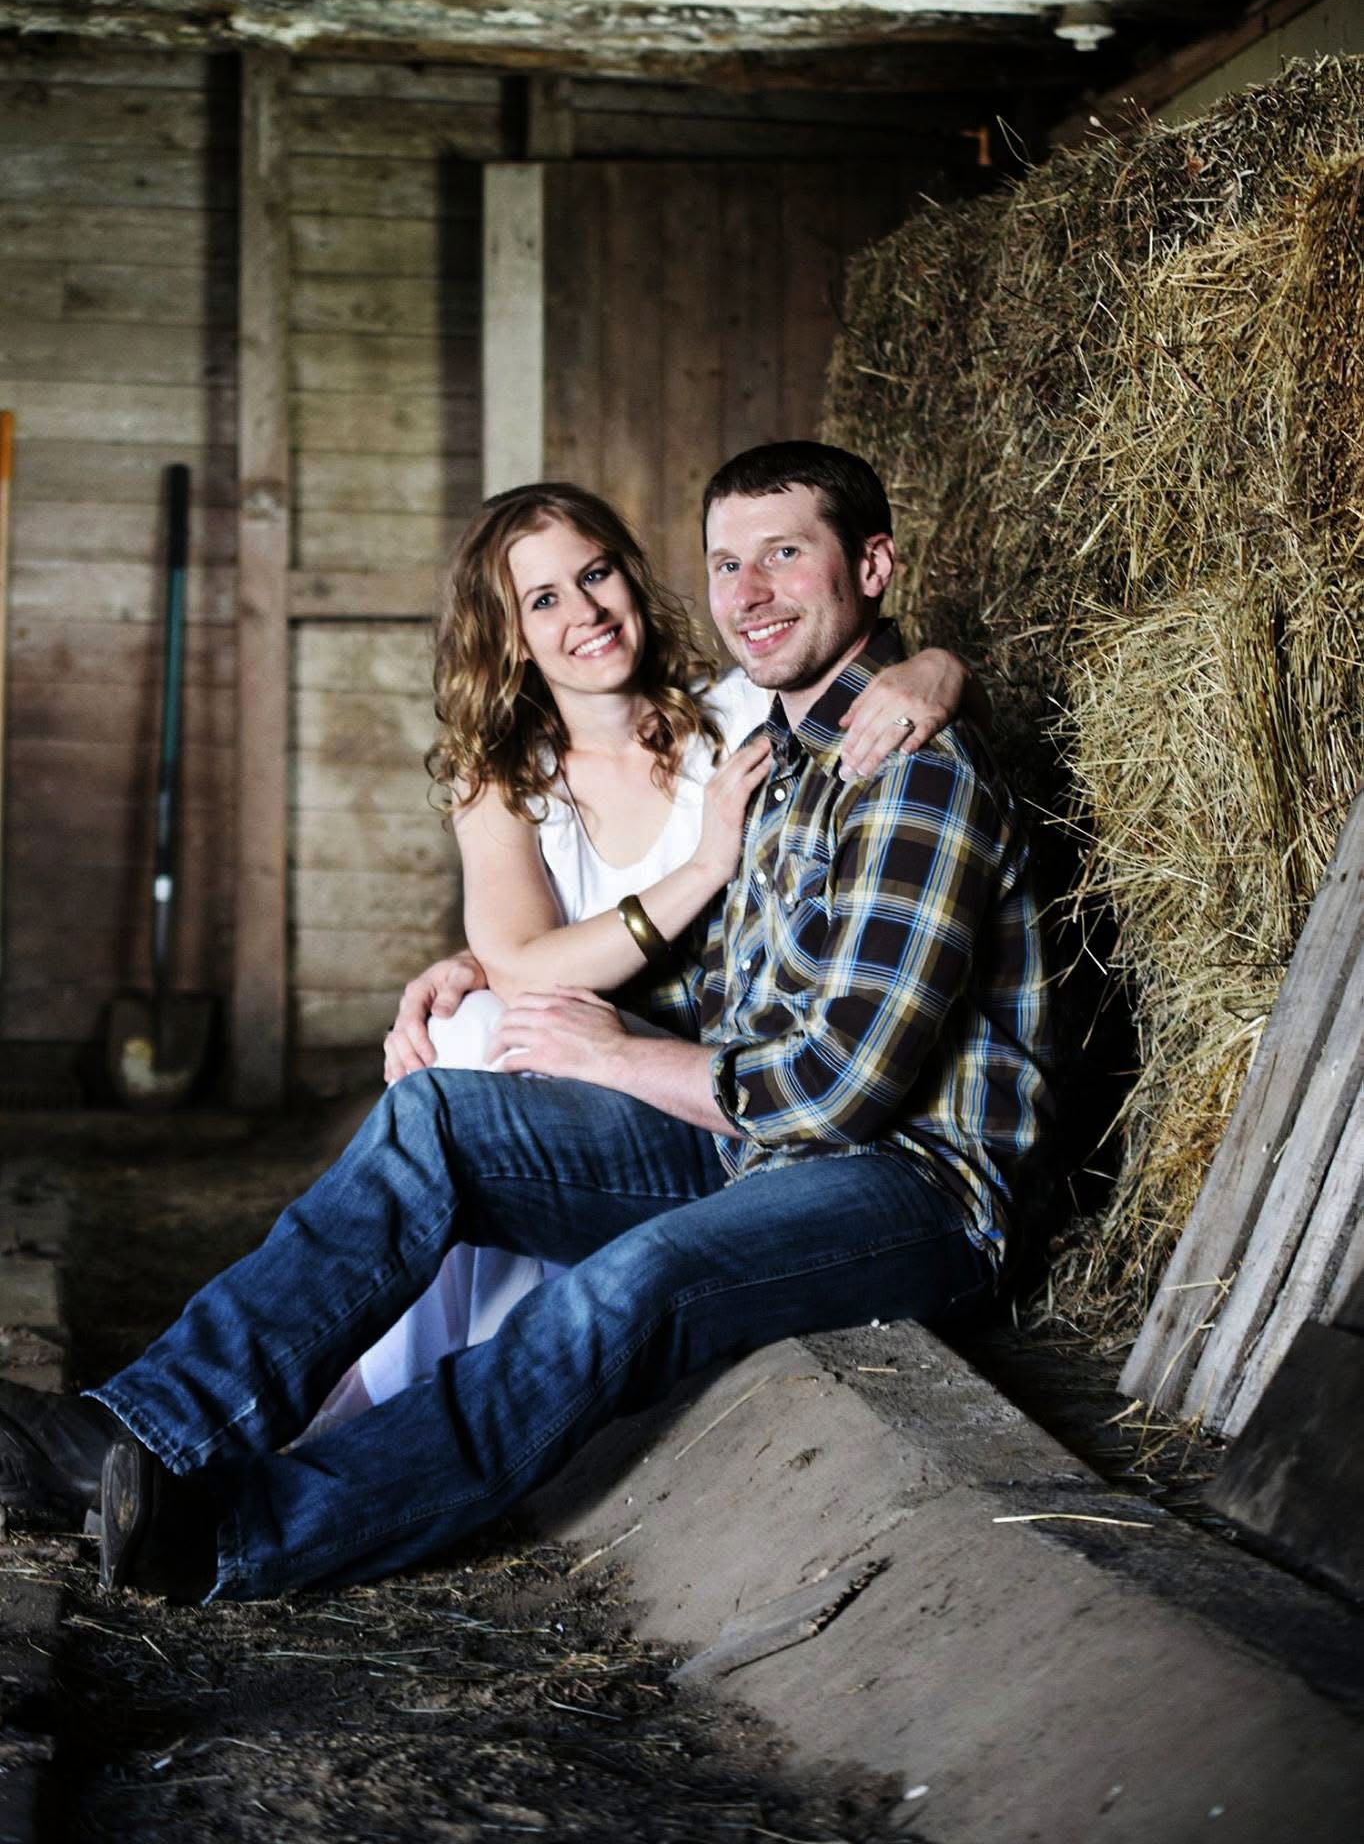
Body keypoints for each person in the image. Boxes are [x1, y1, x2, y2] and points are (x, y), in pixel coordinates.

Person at [0, 442, 1052, 1604]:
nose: (748, 593)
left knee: (628, 1277)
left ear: (870, 564)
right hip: (742, 1146)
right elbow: (730, 982)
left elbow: (829, 1096)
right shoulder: (783, 757)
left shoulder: (906, 770)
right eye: (725, 565)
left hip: (902, 1185)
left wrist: (610, 1050)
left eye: (783, 556)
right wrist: (479, 972)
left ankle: (248, 1530)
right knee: (434, 1115)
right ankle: (135, 1431)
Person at [308, 480, 974, 1430]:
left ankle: (378, 1404)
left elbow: (858, 663)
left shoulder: (737, 718)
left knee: (482, 1029)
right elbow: (527, 963)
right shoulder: (503, 780)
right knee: (475, 1024)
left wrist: (940, 667)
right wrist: (702, 867)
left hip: (694, 1091)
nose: (583, 612)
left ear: (630, 577)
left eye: (596, 574)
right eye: (543, 601)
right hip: (578, 1076)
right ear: (511, 639)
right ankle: (415, 1394)